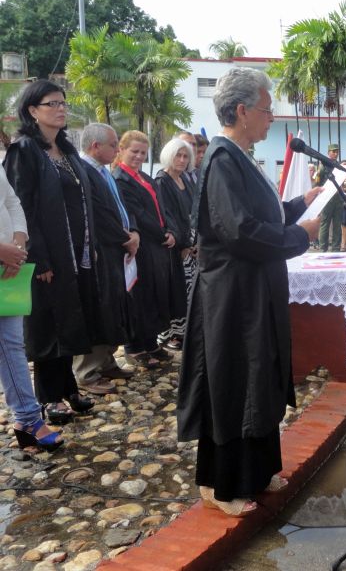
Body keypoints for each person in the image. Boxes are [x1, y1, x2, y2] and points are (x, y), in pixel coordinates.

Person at [177, 67, 322, 517]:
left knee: (257, 379)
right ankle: (223, 486)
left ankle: (257, 471)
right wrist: (300, 236)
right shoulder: (221, 159)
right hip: (232, 299)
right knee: (234, 383)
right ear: (241, 111)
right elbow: (239, 230)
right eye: (265, 108)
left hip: (253, 292)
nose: (271, 117)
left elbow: (264, 211)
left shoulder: (241, 156)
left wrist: (301, 203)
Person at [3, 79, 98, 424]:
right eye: (52, 103)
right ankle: (48, 396)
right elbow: (21, 207)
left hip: (75, 251)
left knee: (71, 317)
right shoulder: (25, 150)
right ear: (32, 110)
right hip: (45, 251)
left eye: (63, 103)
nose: (61, 109)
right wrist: (37, 255)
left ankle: (68, 387)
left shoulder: (68, 151)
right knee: (48, 323)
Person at [0, 163, 63, 450]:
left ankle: (27, 417)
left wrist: (18, 242)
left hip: (9, 265)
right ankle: (26, 417)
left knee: (11, 344)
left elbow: (11, 200)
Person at [74, 123, 137, 394]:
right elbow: (99, 216)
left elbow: (121, 207)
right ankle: (87, 371)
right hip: (102, 249)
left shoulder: (104, 172)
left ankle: (107, 360)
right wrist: (126, 237)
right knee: (98, 309)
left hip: (117, 249)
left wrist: (132, 232)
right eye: (113, 145)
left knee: (113, 309)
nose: (117, 149)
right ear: (95, 146)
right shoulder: (84, 171)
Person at [113, 130, 176, 368]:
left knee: (153, 295)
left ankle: (150, 342)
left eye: (143, 152)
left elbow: (162, 207)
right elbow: (136, 213)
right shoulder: (120, 179)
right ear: (121, 150)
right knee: (138, 296)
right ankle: (134, 346)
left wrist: (171, 230)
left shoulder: (145, 178)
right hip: (143, 244)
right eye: (134, 152)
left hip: (157, 244)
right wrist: (162, 234)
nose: (139, 156)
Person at [155, 138, 196, 351]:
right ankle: (170, 335)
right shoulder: (162, 181)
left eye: (185, 156)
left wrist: (195, 242)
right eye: (178, 155)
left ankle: (185, 331)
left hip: (191, 245)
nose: (181, 160)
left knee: (189, 290)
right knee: (175, 290)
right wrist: (183, 244)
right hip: (176, 247)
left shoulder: (186, 179)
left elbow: (194, 212)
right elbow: (166, 215)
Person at [317, 144, 342, 252]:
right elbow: (317, 182)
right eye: (333, 151)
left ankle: (336, 248)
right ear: (329, 152)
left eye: (337, 152)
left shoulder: (339, 166)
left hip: (338, 198)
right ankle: (323, 247)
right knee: (325, 224)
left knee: (337, 224)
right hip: (327, 198)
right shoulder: (323, 165)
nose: (335, 154)